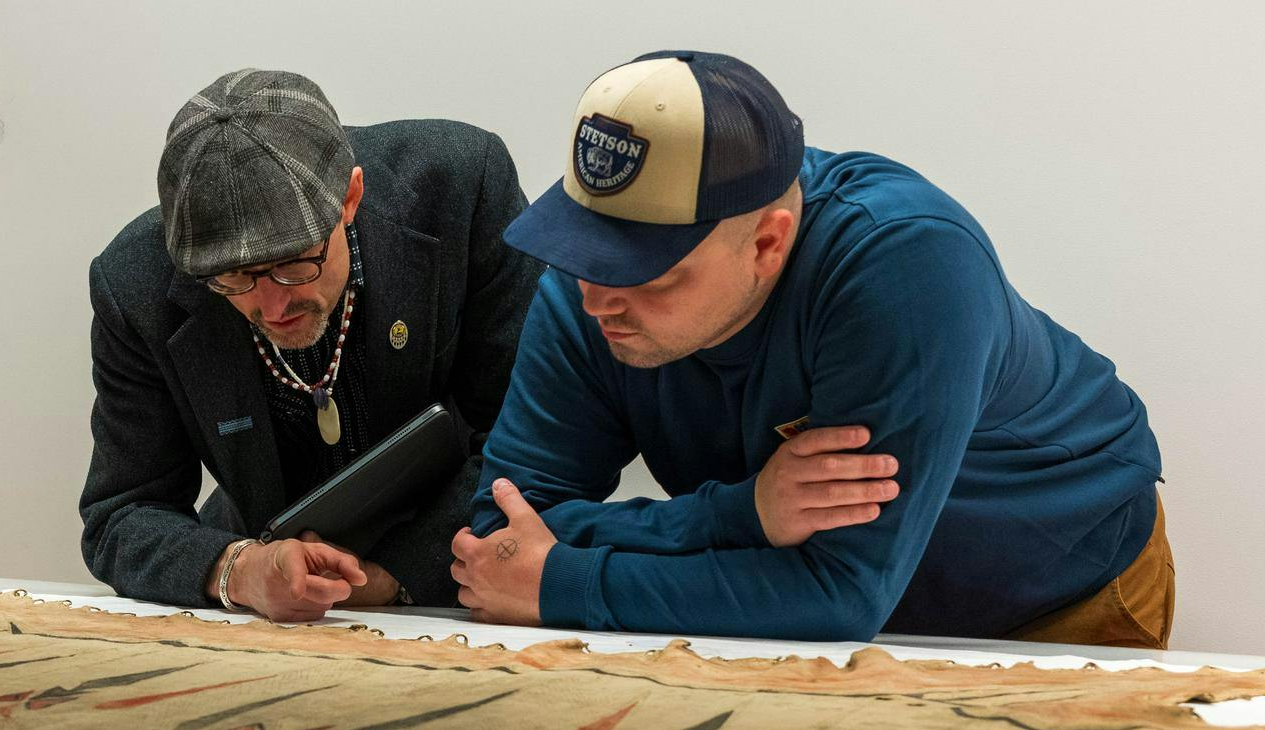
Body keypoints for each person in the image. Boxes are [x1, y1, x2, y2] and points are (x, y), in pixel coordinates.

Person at [453, 51, 1171, 648]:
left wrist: (567, 581)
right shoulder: (587, 293)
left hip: (1059, 593)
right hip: (799, 625)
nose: (596, 299)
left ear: (768, 241)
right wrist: (740, 517)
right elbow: (501, 532)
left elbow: (839, 595)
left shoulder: (906, 263)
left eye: (646, 270)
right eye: (585, 252)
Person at [80, 69, 541, 622]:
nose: (273, 307)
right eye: (232, 280)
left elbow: (534, 437)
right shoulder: (135, 283)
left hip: (462, 576)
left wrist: (395, 577)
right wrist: (240, 570)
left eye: (295, 264)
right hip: (274, 603)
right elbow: (123, 515)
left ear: (350, 197)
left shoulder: (461, 187)